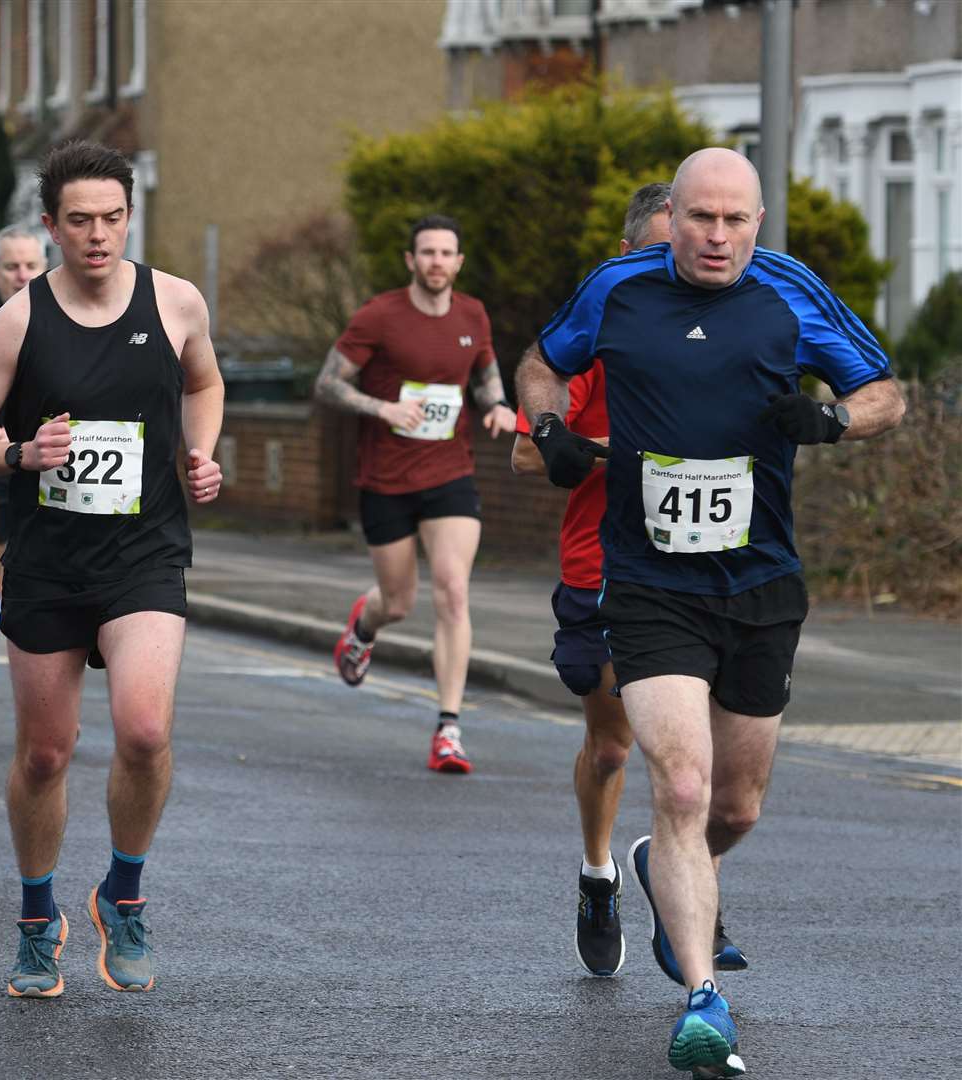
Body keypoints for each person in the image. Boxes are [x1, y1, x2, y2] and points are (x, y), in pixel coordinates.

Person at [516, 147, 904, 1078]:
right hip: (648, 584)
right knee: (682, 786)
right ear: (673, 218)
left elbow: (884, 393)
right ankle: (702, 1001)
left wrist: (834, 422)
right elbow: (537, 362)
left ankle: (662, 863)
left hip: (760, 581)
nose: (716, 237)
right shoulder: (617, 289)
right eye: (700, 219)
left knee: (734, 805)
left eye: (735, 221)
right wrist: (548, 429)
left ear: (757, 224)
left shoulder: (791, 292)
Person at [0, 139, 224, 999]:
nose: (96, 236)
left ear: (128, 217)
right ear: (51, 225)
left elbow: (203, 384)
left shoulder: (174, 301)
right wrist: (21, 452)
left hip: (144, 553)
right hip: (48, 562)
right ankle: (36, 917)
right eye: (78, 222)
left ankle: (123, 893)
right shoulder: (20, 319)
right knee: (44, 757)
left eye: (110, 219)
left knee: (143, 731)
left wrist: (201, 452)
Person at [513, 181, 748, 979]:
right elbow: (524, 448)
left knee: (701, 770)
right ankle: (598, 872)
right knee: (613, 748)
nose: (677, 259)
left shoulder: (727, 324)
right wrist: (613, 445)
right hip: (603, 567)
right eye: (658, 247)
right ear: (629, 254)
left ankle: (690, 888)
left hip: (709, 573)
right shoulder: (598, 326)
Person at [316, 214, 517, 774]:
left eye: (446, 253)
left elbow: (484, 374)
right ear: (411, 260)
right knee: (399, 602)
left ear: (458, 262)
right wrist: (383, 408)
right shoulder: (380, 315)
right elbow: (328, 382)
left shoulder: (472, 314)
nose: (436, 262)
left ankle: (448, 729)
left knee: (453, 590)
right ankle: (364, 626)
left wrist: (497, 405)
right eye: (426, 252)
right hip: (386, 479)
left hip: (450, 472)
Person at [0, 224, 48, 594]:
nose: (22, 275)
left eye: (30, 265)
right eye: (11, 267)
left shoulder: (66, 324)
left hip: (52, 469)